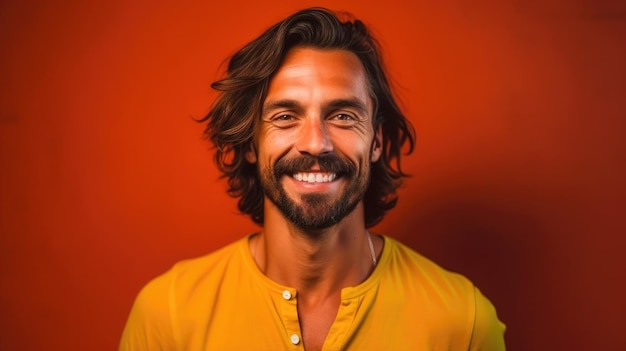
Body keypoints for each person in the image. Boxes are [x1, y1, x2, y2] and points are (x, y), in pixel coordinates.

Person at [119, 7, 506, 351]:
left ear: (376, 141)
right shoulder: (167, 314)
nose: (316, 144)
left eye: (342, 116)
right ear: (251, 142)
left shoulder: (462, 322)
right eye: (286, 116)